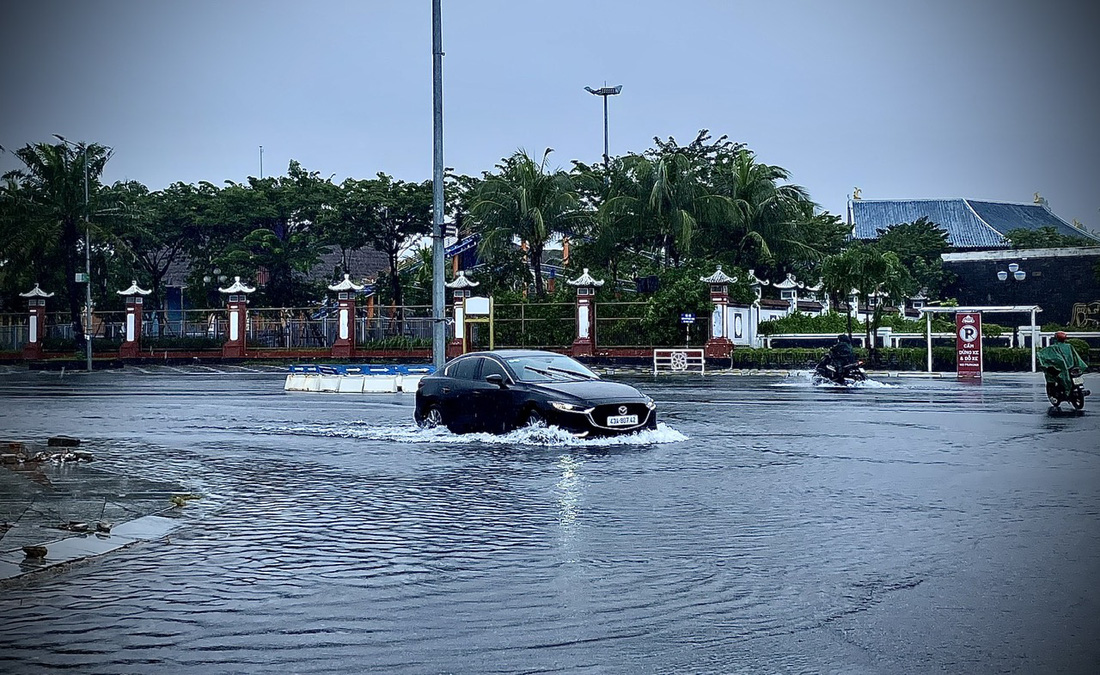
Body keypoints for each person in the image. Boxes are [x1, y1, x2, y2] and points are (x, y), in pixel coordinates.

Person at [1037, 331, 1088, 400]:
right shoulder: (1069, 346)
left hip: (1062, 369)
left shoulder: (1053, 347)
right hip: (1072, 367)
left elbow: (1045, 355)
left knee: (1051, 376)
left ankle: (1061, 393)